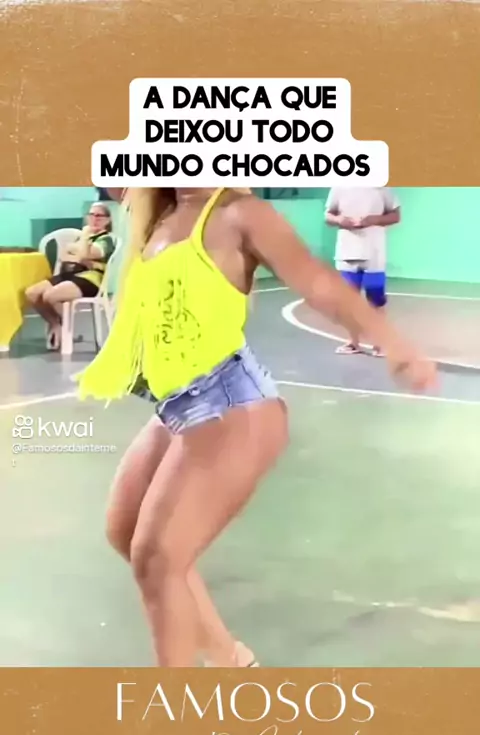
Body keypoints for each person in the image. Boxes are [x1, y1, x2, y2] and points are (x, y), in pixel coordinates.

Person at [77, 187, 436, 668]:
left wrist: (394, 343)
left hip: (232, 402)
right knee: (126, 532)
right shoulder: (160, 212)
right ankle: (229, 659)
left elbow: (318, 282)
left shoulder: (238, 214)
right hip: (177, 404)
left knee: (159, 559)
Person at [25, 202, 116, 351]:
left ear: (107, 220)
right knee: (32, 293)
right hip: (69, 274)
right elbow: (65, 255)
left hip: (90, 279)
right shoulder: (81, 239)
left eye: (99, 216)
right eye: (91, 215)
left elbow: (84, 254)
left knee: (50, 296)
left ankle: (67, 328)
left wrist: (84, 239)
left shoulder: (105, 240)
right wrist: (81, 256)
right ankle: (56, 324)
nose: (94, 219)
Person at [325, 187, 400, 355]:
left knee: (376, 300)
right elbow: (328, 216)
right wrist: (339, 220)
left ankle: (380, 344)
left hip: (374, 254)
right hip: (346, 253)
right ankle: (353, 343)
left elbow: (396, 216)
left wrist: (374, 219)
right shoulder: (339, 186)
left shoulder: (382, 186)